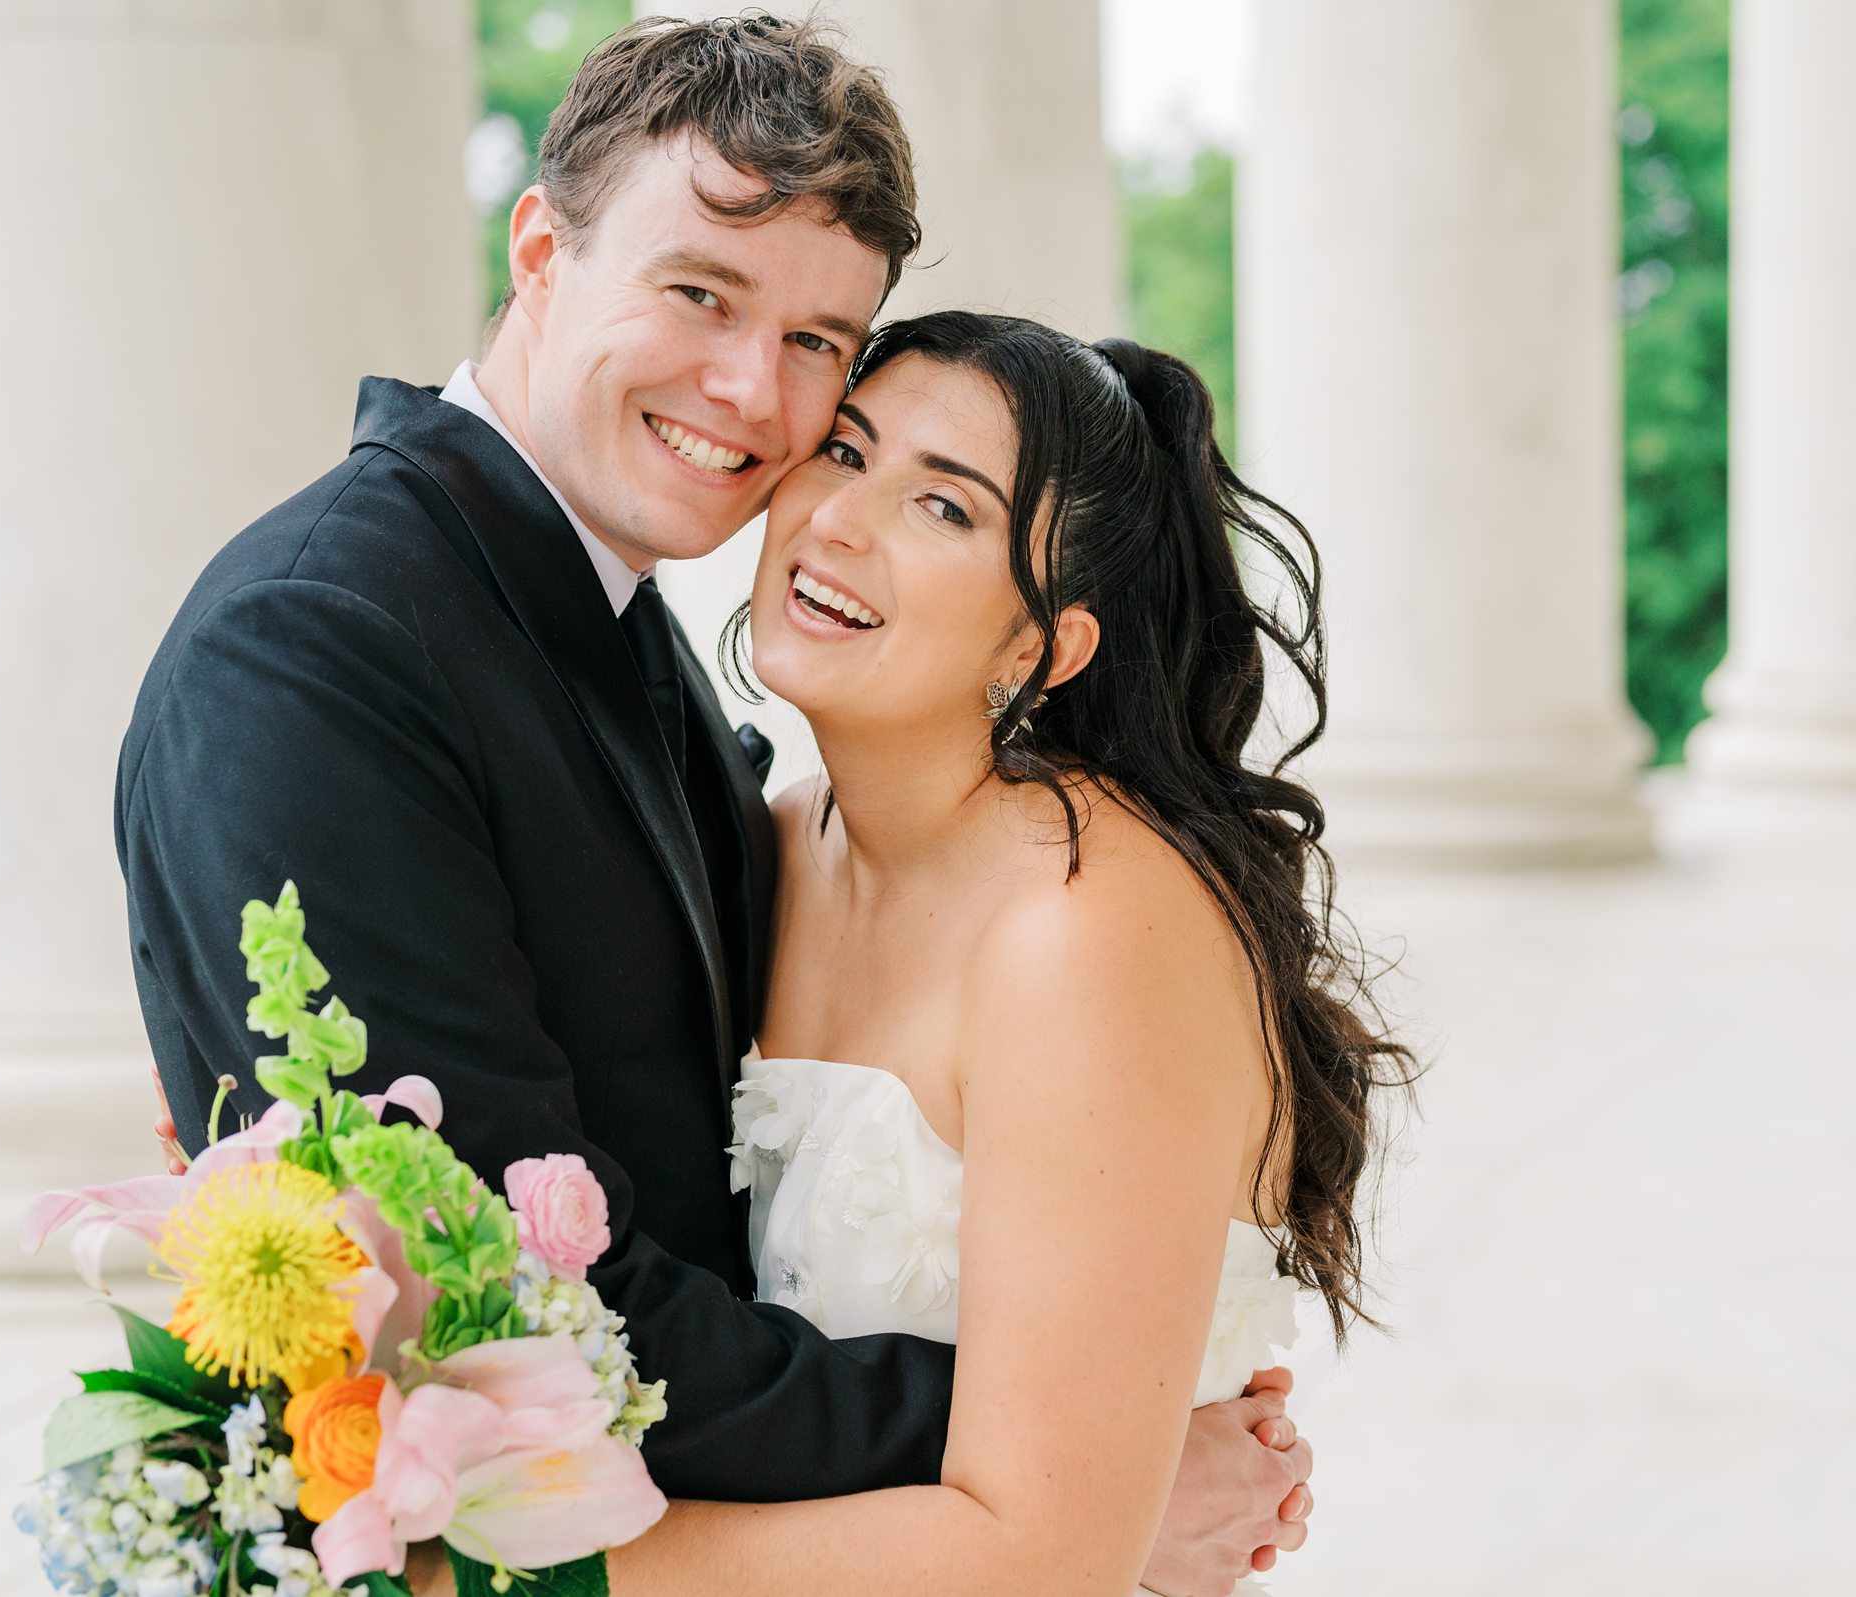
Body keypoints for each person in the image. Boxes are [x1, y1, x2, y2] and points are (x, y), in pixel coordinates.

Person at [119, 16, 1311, 1594]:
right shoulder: (323, 642)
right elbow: (511, 1294)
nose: (755, 391)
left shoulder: (626, 625)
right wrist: (1083, 1462)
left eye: (822, 341)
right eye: (701, 292)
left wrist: (1068, 1476)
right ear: (542, 247)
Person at [450, 310, 1410, 1597]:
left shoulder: (1082, 932)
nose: (841, 520)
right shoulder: (780, 845)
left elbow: (1043, 1555)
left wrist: (499, 1581)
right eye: (844, 452)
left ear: (1045, 646)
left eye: (944, 509)